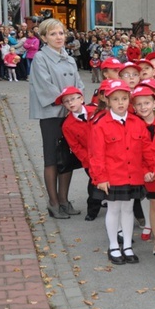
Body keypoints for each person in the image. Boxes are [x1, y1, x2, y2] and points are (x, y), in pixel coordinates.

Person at [89, 81, 155, 265]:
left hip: (133, 174)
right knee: (114, 209)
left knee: (128, 210)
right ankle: (113, 246)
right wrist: (100, 177)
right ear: (108, 100)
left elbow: (146, 149)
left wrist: (149, 169)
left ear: (130, 100)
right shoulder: (101, 125)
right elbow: (96, 154)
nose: (120, 103)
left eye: (125, 99)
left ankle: (127, 246)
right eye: (116, 99)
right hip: (112, 176)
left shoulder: (137, 123)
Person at [29, 18, 85, 219]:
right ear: (44, 38)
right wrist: (69, 101)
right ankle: (53, 202)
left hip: (70, 114)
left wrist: (77, 101)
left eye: (61, 33)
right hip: (52, 115)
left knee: (67, 157)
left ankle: (64, 200)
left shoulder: (69, 58)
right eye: (53, 34)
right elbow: (46, 87)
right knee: (53, 157)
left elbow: (79, 84)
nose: (58, 37)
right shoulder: (41, 59)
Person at [131, 85, 155, 254]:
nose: (143, 107)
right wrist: (145, 171)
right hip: (150, 174)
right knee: (154, 206)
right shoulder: (135, 125)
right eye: (139, 104)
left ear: (154, 103)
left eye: (146, 103)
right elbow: (135, 153)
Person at [58, 86, 101, 222]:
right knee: (95, 184)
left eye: (73, 99)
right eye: (66, 101)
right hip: (89, 159)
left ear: (81, 99)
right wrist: (87, 160)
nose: (70, 103)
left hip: (107, 154)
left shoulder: (95, 112)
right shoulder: (67, 125)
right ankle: (93, 210)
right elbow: (75, 147)